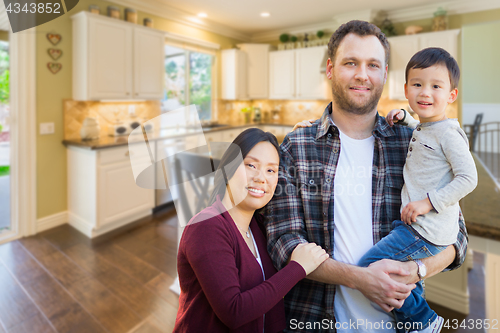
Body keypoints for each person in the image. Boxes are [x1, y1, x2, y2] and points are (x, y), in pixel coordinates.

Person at [265, 20, 468, 333]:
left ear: (385, 74)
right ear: (331, 69)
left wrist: (417, 269)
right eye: (350, 63)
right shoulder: (298, 145)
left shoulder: (410, 140)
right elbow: (283, 241)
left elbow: (457, 235)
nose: (362, 74)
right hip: (316, 320)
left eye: (373, 64)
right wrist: (361, 279)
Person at [356, 47, 477, 332]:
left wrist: (428, 203)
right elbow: (424, 137)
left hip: (425, 228)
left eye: (436, 86)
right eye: (418, 84)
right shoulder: (426, 127)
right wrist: (406, 119)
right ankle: (414, 325)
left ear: (451, 95)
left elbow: (468, 178)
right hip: (416, 225)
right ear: (407, 90)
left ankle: (423, 320)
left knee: (370, 266)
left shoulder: (449, 133)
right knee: (406, 278)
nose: (425, 92)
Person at [173, 128, 329, 333]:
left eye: (271, 170)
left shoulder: (259, 226)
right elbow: (234, 311)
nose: (261, 178)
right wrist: (297, 267)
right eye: (251, 165)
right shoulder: (206, 226)